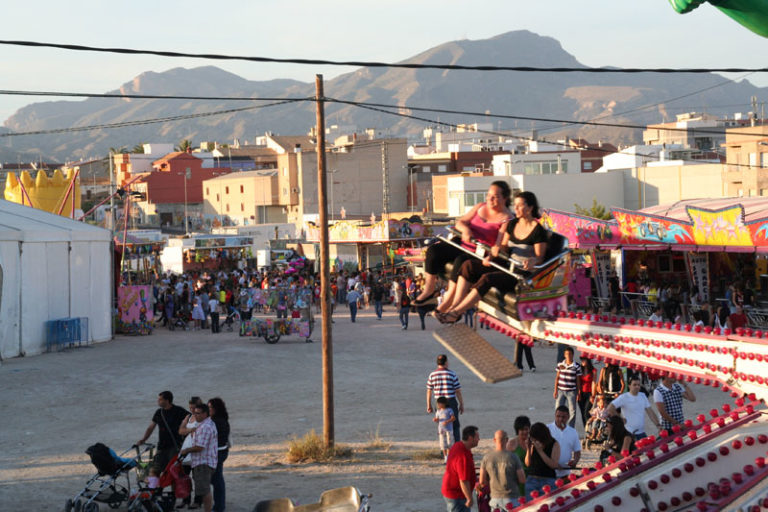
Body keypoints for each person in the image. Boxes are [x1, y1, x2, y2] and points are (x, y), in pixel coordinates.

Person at [436, 191, 547, 324]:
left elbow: (540, 258)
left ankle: (456, 312)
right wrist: (494, 253)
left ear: (530, 208)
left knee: (488, 279)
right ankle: (454, 306)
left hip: (520, 274)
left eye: (520, 205)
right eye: (515, 205)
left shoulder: (538, 231)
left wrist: (532, 260)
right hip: (507, 266)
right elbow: (504, 248)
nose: (515, 209)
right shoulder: (512, 225)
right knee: (468, 265)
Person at [413, 181, 512, 311]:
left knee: (460, 262)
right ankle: (429, 290)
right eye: (489, 195)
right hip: (462, 244)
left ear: (505, 198)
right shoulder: (480, 207)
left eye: (495, 196)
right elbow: (461, 222)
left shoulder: (507, 219)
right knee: (434, 250)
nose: (490, 199)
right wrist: (466, 230)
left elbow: (499, 244)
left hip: (477, 252)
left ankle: (449, 301)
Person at [137, 391, 189, 473]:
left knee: (173, 472)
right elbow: (151, 427)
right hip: (162, 446)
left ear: (167, 400)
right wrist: (144, 439)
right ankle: (153, 486)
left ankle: (173, 486)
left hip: (174, 447)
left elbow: (191, 420)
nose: (158, 401)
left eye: (160, 399)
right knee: (154, 470)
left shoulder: (179, 411)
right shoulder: (159, 412)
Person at [179, 404, 218, 512]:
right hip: (204, 462)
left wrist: (186, 450)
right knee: (204, 490)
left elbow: (200, 447)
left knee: (205, 491)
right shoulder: (206, 424)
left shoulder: (205, 427)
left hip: (203, 463)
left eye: (198, 413)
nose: (195, 415)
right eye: (194, 412)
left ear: (205, 414)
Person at [479, 430, 526, 510]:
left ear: (494, 440)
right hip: (512, 498)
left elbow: (482, 481)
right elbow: (522, 479)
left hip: (495, 499)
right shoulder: (513, 457)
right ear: (507, 440)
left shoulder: (486, 458)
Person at [427, 354, 464, 444]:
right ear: (446, 362)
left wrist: (429, 405)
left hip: (438, 402)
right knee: (454, 424)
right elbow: (457, 390)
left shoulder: (432, 375)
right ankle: (456, 447)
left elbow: (429, 390)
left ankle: (443, 449)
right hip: (450, 400)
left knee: (442, 424)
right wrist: (461, 403)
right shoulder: (452, 374)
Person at [441, 426, 480, 512]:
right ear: (470, 438)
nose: (479, 439)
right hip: (456, 495)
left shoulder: (460, 445)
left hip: (453, 492)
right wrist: (469, 498)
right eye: (477, 437)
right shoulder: (462, 455)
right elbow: (463, 480)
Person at [179, 396, 204, 509]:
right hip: (186, 450)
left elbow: (198, 431)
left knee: (197, 477)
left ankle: (198, 501)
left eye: (194, 408)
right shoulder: (188, 416)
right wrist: (190, 430)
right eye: (190, 407)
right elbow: (181, 431)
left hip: (197, 450)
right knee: (184, 477)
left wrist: (187, 430)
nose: (192, 410)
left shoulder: (203, 417)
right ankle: (186, 500)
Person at [524, 423, 559, 500]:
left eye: (536, 438)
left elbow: (554, 465)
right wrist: (529, 449)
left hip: (548, 480)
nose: (534, 440)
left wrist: (540, 451)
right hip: (532, 478)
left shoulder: (554, 444)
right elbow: (527, 463)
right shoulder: (533, 443)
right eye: (533, 438)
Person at [547, 406, 581, 480]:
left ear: (568, 417)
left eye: (563, 417)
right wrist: (554, 463)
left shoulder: (573, 432)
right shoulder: (547, 429)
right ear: (555, 416)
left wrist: (574, 461)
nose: (560, 419)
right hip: (549, 473)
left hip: (565, 473)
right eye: (558, 416)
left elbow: (577, 451)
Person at [209, 397, 230, 512]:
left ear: (216, 408)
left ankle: (219, 507)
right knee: (217, 480)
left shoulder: (216, 422)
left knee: (217, 481)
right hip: (221, 452)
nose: (209, 409)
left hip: (218, 453)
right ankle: (219, 506)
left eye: (210, 407)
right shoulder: (221, 419)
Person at [553, 347, 581, 427]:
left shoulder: (577, 366)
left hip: (572, 391)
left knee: (572, 411)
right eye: (567, 354)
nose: (568, 356)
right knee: (558, 409)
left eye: (570, 354)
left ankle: (570, 427)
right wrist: (555, 390)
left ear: (572, 355)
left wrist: (579, 392)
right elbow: (557, 378)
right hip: (561, 390)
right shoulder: (560, 365)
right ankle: (557, 426)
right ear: (564, 355)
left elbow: (578, 380)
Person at [506, 416, 531, 497]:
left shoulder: (533, 442)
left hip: (532, 478)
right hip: (518, 479)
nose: (524, 432)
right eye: (522, 430)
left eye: (526, 429)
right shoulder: (512, 443)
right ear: (517, 430)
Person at [433, 397, 456, 461]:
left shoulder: (449, 410)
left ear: (444, 403)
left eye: (439, 403)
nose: (438, 405)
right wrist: (436, 419)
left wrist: (447, 421)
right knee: (443, 444)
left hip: (449, 429)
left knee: (450, 443)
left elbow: (453, 418)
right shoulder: (438, 411)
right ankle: (445, 457)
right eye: (438, 404)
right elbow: (437, 419)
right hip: (441, 430)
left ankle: (449, 456)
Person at [577, 356, 597, 428]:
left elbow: (593, 383)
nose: (582, 361)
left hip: (589, 393)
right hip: (581, 393)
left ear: (587, 360)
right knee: (582, 412)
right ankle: (586, 429)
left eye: (583, 359)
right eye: (581, 359)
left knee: (587, 412)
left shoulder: (593, 370)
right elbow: (578, 381)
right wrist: (578, 393)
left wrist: (593, 395)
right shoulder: (580, 369)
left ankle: (589, 428)